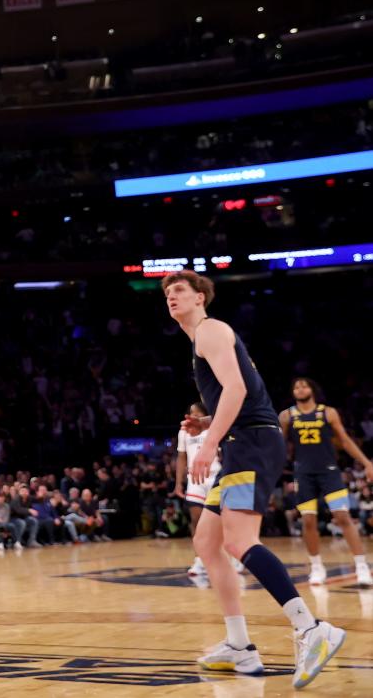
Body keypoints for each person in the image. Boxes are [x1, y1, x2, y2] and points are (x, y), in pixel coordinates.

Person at [163, 271, 345, 687]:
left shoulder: (210, 330)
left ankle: (311, 628)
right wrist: (208, 423)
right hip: (243, 441)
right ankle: (240, 647)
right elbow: (241, 390)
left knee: (239, 540)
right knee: (207, 542)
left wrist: (208, 443)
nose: (171, 298)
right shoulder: (204, 338)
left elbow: (238, 390)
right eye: (168, 293)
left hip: (251, 444)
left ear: (201, 297)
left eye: (180, 292)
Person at [279, 377, 373, 587]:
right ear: (293, 393)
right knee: (309, 521)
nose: (300, 389)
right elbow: (279, 445)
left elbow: (345, 441)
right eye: (296, 387)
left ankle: (361, 566)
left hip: (329, 471)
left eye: (304, 385)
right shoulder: (287, 416)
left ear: (312, 389)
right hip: (303, 473)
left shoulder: (327, 412)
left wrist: (367, 463)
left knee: (342, 517)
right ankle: (317, 567)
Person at [174, 401, 222, 579]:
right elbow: (181, 457)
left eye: (197, 412)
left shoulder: (214, 426)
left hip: (215, 475)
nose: (193, 415)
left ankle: (228, 557)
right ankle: (200, 559)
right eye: (191, 412)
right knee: (196, 519)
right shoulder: (184, 432)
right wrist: (178, 483)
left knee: (220, 520)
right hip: (195, 478)